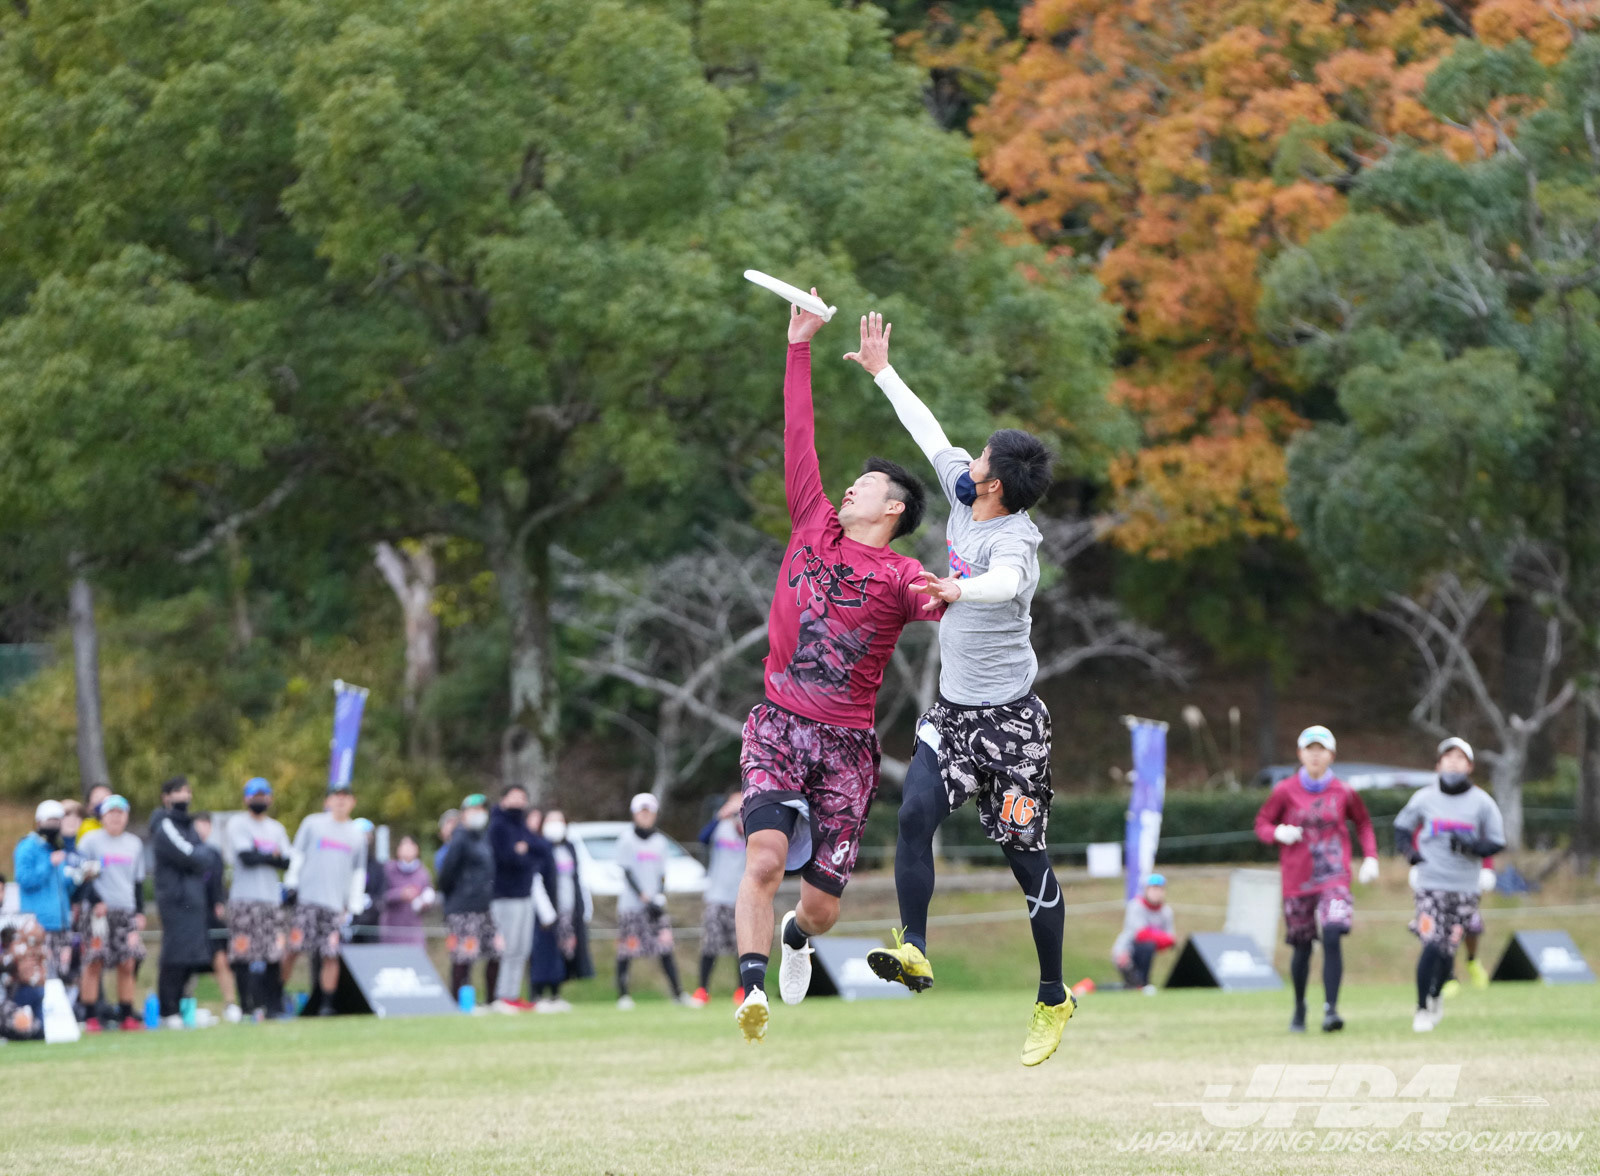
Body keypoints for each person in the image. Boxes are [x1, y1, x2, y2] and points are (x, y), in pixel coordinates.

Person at [844, 312, 1071, 1066]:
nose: (967, 460)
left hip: (1012, 727)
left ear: (996, 482)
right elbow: (927, 431)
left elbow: (1002, 583)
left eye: (980, 458)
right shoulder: (964, 491)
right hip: (952, 715)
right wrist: (882, 371)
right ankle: (914, 948)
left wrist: (956, 589)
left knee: (1025, 861)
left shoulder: (1017, 541)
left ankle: (1053, 995)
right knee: (913, 815)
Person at [733, 294, 941, 1044]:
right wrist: (800, 345)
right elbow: (798, 431)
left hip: (847, 748)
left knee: (821, 908)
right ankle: (750, 990)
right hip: (778, 725)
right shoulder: (812, 522)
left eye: (868, 484)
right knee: (764, 860)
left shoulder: (901, 576)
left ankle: (796, 936)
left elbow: (948, 601)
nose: (850, 486)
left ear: (893, 510)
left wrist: (977, 586)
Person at [1253, 726, 1379, 1034]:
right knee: (1302, 946)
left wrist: (1371, 857)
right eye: (1309, 749)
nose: (1315, 755)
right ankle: (1299, 1007)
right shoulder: (1284, 790)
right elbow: (1261, 823)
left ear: (1331, 755)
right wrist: (1277, 832)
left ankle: (1331, 1009)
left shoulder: (1344, 791)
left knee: (1333, 932)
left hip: (1334, 877)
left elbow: (1363, 823)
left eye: (1321, 749)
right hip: (1297, 880)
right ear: (1300, 754)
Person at [1394, 737, 1506, 1033]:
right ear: (1438, 765)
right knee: (1431, 942)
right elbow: (1402, 828)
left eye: (1459, 758)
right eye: (1448, 757)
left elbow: (1497, 841)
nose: (1453, 763)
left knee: (1447, 949)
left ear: (1469, 766)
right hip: (1430, 884)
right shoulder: (1424, 798)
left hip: (1465, 889)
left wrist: (1473, 847)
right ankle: (1421, 1008)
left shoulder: (1482, 802)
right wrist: (1411, 854)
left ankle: (1436, 994)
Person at [283, 781, 369, 1016]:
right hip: (307, 901)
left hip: (334, 906)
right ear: (327, 801)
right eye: (336, 795)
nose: (341, 800)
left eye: (345, 796)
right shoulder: (313, 824)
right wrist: (291, 884)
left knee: (331, 955)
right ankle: (277, 995)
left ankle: (326, 1005)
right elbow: (297, 855)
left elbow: (358, 873)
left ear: (352, 802)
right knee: (294, 949)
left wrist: (353, 905)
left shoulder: (357, 836)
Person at [149, 777, 216, 1026]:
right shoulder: (164, 824)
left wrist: (200, 856)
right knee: (175, 955)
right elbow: (192, 855)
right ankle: (168, 1011)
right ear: (166, 797)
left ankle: (183, 1007)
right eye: (178, 791)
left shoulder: (188, 825)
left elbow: (206, 856)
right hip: (175, 900)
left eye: (187, 791)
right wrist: (199, 856)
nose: (184, 796)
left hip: (192, 900)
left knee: (191, 956)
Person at [76, 795, 147, 1031]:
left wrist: (139, 911)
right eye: (111, 813)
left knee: (128, 962)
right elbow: (82, 876)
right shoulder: (90, 841)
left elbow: (138, 882)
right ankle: (90, 1016)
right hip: (98, 912)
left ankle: (126, 1014)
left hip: (125, 910)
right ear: (103, 816)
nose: (116, 817)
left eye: (120, 813)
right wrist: (95, 900)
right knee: (94, 961)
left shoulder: (134, 844)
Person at [615, 793, 691, 1009]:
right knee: (627, 950)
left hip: (655, 906)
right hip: (632, 905)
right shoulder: (626, 839)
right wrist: (643, 896)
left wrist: (657, 896)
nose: (645, 816)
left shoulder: (660, 842)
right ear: (634, 814)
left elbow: (662, 874)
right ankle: (623, 995)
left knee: (665, 948)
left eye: (649, 812)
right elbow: (627, 872)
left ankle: (678, 993)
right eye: (642, 812)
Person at [225, 777, 291, 1020]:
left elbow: (286, 861)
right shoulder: (238, 823)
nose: (260, 800)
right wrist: (271, 855)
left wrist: (261, 854)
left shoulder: (276, 828)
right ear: (246, 798)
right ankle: (247, 1006)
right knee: (243, 953)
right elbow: (246, 858)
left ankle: (273, 1006)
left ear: (270, 798)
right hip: (244, 899)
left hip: (271, 900)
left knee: (273, 953)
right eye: (255, 796)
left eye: (264, 795)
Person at [488, 784, 557, 1011]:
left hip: (525, 894)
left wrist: (525, 850)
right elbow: (506, 858)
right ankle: (501, 995)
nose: (519, 801)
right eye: (514, 796)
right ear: (503, 799)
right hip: (505, 895)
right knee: (507, 947)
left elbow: (542, 849)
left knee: (522, 948)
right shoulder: (497, 826)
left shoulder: (521, 825)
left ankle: (513, 993)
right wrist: (523, 854)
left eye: (522, 797)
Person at [437, 794, 504, 1005]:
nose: (478, 814)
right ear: (464, 814)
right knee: (464, 956)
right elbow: (445, 876)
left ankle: (491, 1000)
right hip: (463, 908)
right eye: (474, 810)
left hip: (484, 907)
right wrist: (460, 895)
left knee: (495, 952)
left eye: (482, 810)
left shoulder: (483, 839)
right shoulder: (459, 839)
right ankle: (458, 1003)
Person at [529, 809, 591, 1011]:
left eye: (559, 820)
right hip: (547, 912)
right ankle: (537, 994)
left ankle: (556, 994)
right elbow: (536, 881)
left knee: (562, 953)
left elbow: (579, 879)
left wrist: (584, 907)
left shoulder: (570, 848)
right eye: (551, 820)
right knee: (543, 952)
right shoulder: (540, 848)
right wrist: (546, 911)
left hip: (568, 911)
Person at [693, 791, 745, 1006]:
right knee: (710, 945)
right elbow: (702, 839)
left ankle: (742, 990)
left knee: (743, 946)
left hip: (741, 898)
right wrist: (720, 816)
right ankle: (702, 990)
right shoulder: (720, 827)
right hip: (716, 896)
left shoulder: (751, 828)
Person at [191, 812, 242, 1023]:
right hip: (190, 916)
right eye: (198, 824)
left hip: (211, 917)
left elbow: (218, 882)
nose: (202, 828)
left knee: (221, 958)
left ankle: (231, 1004)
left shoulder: (213, 853)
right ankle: (186, 1005)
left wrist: (219, 902)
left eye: (206, 824)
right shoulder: (184, 851)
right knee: (188, 964)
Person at [13, 801, 74, 980]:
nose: (55, 826)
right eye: (51, 821)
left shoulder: (57, 847)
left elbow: (63, 886)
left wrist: (76, 877)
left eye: (58, 821)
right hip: (39, 924)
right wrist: (49, 863)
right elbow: (23, 879)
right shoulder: (27, 846)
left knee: (62, 975)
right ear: (39, 822)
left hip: (61, 923)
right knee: (41, 976)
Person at [1111, 874, 1176, 992]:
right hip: (1126, 952)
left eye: (1160, 889)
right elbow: (1141, 934)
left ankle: (1143, 984)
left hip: (1147, 952)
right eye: (1153, 889)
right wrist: (1159, 937)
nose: (1157, 893)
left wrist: (1154, 936)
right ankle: (1142, 984)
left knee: (1148, 947)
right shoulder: (1136, 906)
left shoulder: (1166, 912)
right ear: (1146, 890)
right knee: (1134, 983)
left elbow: (1170, 940)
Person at [381, 835, 436, 945]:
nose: (407, 849)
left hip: (413, 933)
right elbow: (381, 895)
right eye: (404, 846)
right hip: (391, 931)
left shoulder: (423, 873)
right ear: (398, 850)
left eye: (410, 846)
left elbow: (429, 896)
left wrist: (425, 903)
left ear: (417, 850)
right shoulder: (388, 870)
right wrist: (400, 894)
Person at [350, 818, 386, 945]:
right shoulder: (344, 863)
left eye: (368, 835)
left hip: (370, 926)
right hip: (346, 924)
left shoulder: (376, 866)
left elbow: (381, 894)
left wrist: (371, 904)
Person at [434, 809, 460, 876]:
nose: (453, 826)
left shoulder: (471, 847)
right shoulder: (441, 855)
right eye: (449, 822)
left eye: (455, 822)